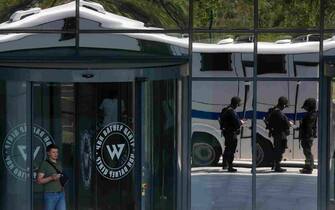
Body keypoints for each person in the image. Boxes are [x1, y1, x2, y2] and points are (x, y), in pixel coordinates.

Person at [264, 96, 292, 172]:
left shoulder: (272, 111)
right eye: (285, 106)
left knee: (276, 149)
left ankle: (274, 164)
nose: (284, 108)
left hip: (275, 133)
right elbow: (286, 124)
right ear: (283, 105)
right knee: (280, 150)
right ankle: (277, 166)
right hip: (281, 134)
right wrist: (289, 124)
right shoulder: (279, 113)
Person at [219, 96, 245, 172]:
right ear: (236, 103)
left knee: (227, 148)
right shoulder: (232, 111)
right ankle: (230, 166)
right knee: (231, 150)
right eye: (238, 104)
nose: (238, 105)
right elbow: (237, 123)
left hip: (226, 132)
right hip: (231, 133)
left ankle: (225, 165)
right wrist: (241, 122)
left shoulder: (225, 109)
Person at [37, 144, 66, 210]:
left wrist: (63, 191)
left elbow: (61, 179)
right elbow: (39, 180)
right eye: (53, 152)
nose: (56, 154)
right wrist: (51, 178)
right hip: (50, 195)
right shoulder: (44, 164)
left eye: (57, 152)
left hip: (61, 194)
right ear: (48, 153)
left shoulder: (59, 163)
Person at [299, 98, 317, 174]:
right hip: (308, 136)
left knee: (307, 152)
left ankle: (309, 168)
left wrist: (306, 136)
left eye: (306, 107)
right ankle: (307, 167)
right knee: (306, 152)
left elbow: (308, 127)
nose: (305, 108)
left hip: (307, 137)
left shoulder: (310, 115)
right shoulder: (312, 114)